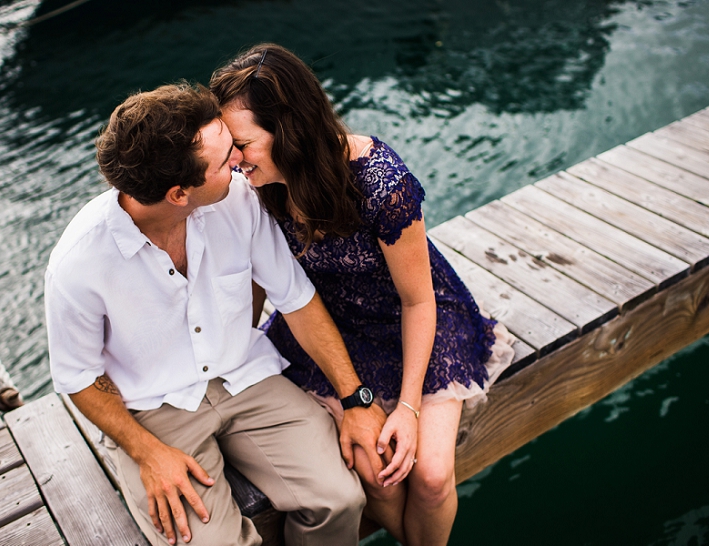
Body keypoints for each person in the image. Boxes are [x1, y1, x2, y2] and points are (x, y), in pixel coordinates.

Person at [44, 82, 389, 546]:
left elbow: (296, 298)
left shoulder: (238, 198)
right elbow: (78, 377)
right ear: (178, 193)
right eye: (227, 158)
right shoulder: (79, 262)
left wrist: (356, 400)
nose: (241, 163)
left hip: (247, 377)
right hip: (154, 411)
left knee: (339, 499)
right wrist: (147, 454)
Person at [211, 44, 516, 546]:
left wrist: (409, 408)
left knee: (433, 478)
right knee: (375, 472)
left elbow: (419, 301)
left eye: (241, 143)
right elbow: (260, 278)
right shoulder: (257, 186)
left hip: (416, 324)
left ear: (289, 133)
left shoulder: (379, 183)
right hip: (332, 329)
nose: (233, 159)